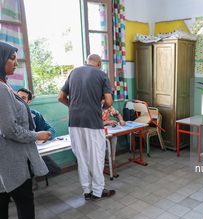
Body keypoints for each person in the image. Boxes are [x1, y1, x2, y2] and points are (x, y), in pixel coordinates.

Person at [0, 41, 56, 219]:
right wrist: (36, 135)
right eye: (11, 58)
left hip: (3, 156)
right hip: (12, 156)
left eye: (16, 58)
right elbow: (9, 129)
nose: (16, 63)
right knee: (24, 199)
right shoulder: (1, 89)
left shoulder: (3, 84)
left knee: (2, 195)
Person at [58, 54, 115, 201]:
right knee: (96, 157)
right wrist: (100, 108)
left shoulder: (74, 72)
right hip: (92, 123)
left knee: (81, 157)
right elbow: (108, 101)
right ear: (99, 63)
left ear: (86, 62)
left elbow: (60, 97)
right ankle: (98, 191)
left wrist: (74, 107)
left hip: (74, 122)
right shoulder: (101, 75)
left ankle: (86, 191)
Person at [17, 88, 61, 189]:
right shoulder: (10, 116)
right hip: (18, 154)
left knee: (55, 169)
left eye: (23, 98)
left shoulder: (35, 115)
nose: (18, 100)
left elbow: (51, 130)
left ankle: (30, 175)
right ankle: (29, 179)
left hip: (35, 151)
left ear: (29, 102)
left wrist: (42, 136)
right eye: (17, 97)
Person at [102, 101, 126, 166]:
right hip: (97, 129)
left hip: (107, 129)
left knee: (114, 137)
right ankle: (101, 161)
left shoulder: (108, 107)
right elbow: (96, 122)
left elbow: (118, 114)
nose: (103, 101)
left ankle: (110, 159)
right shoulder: (94, 107)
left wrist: (121, 120)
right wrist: (108, 121)